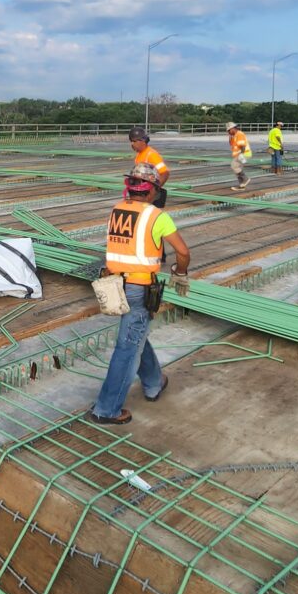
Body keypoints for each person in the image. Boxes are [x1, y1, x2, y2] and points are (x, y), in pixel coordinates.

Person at [91, 164, 190, 425]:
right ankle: (107, 409)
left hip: (115, 284)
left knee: (135, 336)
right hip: (139, 289)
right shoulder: (157, 216)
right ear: (152, 191)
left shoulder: (116, 210)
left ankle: (154, 382)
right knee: (127, 348)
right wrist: (180, 272)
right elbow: (183, 252)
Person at [128, 126, 170, 192]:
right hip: (142, 192)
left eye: (134, 141)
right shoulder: (139, 154)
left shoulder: (152, 155)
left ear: (143, 141)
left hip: (148, 195)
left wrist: (154, 191)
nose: (132, 144)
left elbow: (165, 173)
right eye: (131, 141)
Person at [227, 122, 252, 191]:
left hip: (243, 154)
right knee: (237, 169)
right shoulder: (234, 135)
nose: (228, 132)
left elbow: (243, 146)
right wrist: (230, 136)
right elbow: (231, 144)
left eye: (229, 130)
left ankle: (245, 179)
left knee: (234, 166)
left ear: (233, 128)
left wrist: (242, 155)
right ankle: (242, 185)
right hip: (239, 154)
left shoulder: (239, 134)